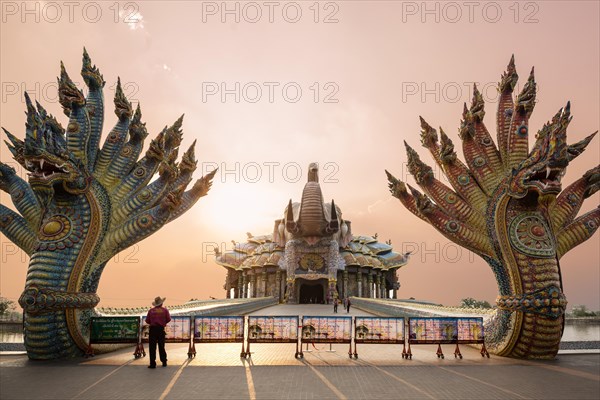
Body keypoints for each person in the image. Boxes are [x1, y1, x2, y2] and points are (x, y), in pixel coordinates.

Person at [145, 296, 171, 368]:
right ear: (161, 303)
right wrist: (162, 322)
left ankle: (152, 363)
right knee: (161, 346)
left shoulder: (151, 311)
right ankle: (164, 361)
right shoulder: (165, 310)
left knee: (152, 347)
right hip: (161, 329)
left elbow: (147, 321)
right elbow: (168, 319)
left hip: (153, 330)